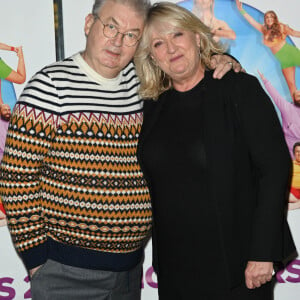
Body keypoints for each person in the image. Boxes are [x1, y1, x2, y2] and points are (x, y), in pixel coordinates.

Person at [0, 0, 241, 299]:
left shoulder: (143, 84)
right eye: (111, 26)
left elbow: (188, 70)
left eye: (132, 35)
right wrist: (37, 260)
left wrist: (222, 60)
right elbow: (16, 179)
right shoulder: (48, 87)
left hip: (129, 273)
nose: (118, 41)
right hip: (65, 273)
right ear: (89, 24)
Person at [134, 2, 296, 299]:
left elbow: (274, 170)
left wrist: (263, 252)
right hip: (176, 268)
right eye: (158, 43)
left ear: (197, 38)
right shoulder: (153, 106)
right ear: (153, 57)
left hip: (239, 267)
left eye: (177, 35)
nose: (170, 48)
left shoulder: (238, 89)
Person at [235, 0, 300, 103]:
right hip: (284, 60)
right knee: (292, 86)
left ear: (274, 19)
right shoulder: (264, 30)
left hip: (291, 52)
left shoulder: (281, 27)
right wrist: (241, 10)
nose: (269, 19)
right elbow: (252, 22)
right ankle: (297, 110)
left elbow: (295, 33)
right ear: (265, 20)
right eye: (267, 17)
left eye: (271, 17)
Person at [257, 70, 300, 157]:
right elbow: (276, 96)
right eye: (298, 95)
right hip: (291, 155)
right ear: (294, 99)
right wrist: (265, 81)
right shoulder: (287, 107)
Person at [289, 142, 300, 210]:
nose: (299, 154)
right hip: (292, 191)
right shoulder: (291, 165)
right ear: (294, 153)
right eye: (297, 151)